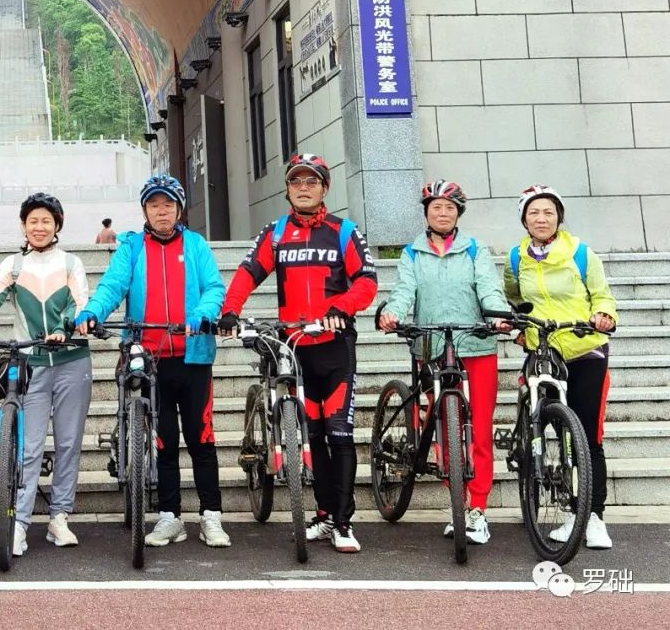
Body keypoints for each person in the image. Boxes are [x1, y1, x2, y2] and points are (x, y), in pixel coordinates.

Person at [219, 153, 377, 553]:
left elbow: (367, 281)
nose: (303, 188)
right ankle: (324, 516)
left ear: (325, 188)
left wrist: (341, 307)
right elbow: (247, 273)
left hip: (335, 347)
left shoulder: (343, 231)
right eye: (295, 181)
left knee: (339, 434)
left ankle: (343, 522)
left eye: (311, 181)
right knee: (313, 435)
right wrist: (230, 310)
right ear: (287, 189)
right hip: (292, 349)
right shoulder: (276, 234)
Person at [76, 173, 230, 549]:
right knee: (164, 441)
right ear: (145, 210)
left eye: (168, 204)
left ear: (179, 209)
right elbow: (112, 286)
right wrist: (92, 312)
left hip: (193, 357)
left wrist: (203, 314)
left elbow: (214, 288)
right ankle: (169, 517)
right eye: (154, 204)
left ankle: (211, 516)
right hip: (149, 359)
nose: (162, 211)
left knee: (201, 438)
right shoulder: (132, 247)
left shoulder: (195, 245)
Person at [0, 192, 91, 556]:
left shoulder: (71, 263)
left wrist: (64, 328)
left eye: (46, 221)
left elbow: (80, 304)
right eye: (33, 221)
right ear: (24, 226)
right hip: (32, 363)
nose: (39, 227)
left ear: (57, 225)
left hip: (73, 360)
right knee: (30, 448)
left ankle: (59, 518)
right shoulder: (13, 266)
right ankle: (21, 524)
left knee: (68, 444)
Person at [378, 180, 512, 546]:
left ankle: (477, 508)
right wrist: (392, 313)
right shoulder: (412, 253)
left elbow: (488, 288)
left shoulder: (474, 249)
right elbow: (403, 291)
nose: (442, 213)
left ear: (458, 213)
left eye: (449, 208)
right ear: (426, 212)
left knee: (479, 428)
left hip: (476, 345)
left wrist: (498, 315)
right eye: (436, 207)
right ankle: (457, 503)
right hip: (432, 345)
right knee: (444, 426)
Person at [504, 184, 618, 550]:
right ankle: (568, 505)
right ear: (524, 219)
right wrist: (516, 325)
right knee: (556, 429)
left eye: (548, 212)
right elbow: (514, 298)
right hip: (543, 352)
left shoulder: (581, 253)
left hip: (585, 350)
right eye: (534, 213)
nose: (541, 219)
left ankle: (593, 516)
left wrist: (603, 315)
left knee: (587, 437)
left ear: (559, 218)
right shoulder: (515, 258)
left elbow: (601, 295)